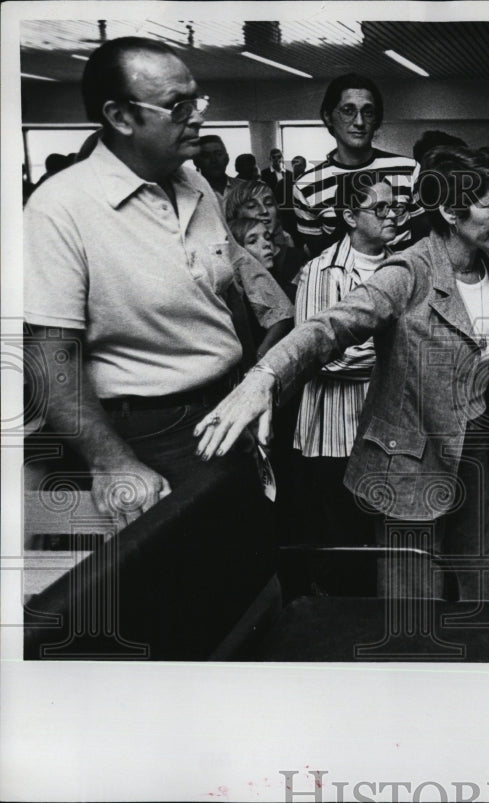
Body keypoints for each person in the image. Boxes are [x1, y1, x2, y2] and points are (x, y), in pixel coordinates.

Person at [195, 147, 489, 601]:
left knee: (474, 593)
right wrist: (265, 378)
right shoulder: (410, 270)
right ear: (450, 210)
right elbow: (330, 325)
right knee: (413, 608)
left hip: (474, 455)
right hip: (412, 461)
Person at [23, 37, 289, 523]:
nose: (198, 115)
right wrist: (111, 461)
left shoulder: (195, 183)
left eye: (197, 99)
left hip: (229, 410)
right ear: (120, 117)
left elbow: (227, 298)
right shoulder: (61, 206)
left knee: (252, 575)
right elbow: (51, 357)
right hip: (150, 431)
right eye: (177, 105)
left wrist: (250, 383)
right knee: (185, 589)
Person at [291, 177, 401, 545]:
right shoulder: (322, 270)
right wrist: (399, 357)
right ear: (350, 217)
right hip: (335, 432)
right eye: (380, 208)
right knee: (344, 536)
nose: (393, 216)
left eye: (396, 206)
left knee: (387, 530)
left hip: (389, 428)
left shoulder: (404, 268)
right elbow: (321, 357)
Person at [292, 73, 419, 256]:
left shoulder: (409, 170)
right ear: (328, 117)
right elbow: (318, 255)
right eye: (348, 111)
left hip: (406, 279)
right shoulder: (306, 186)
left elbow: (426, 243)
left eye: (368, 112)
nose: (359, 122)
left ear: (376, 119)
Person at [225, 179, 306, 298]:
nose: (264, 211)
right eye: (252, 206)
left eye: (269, 204)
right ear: (236, 216)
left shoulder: (298, 259)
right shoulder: (230, 268)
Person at [192, 134, 235, 203]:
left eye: (219, 154)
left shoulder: (245, 188)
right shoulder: (190, 192)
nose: (214, 160)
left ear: (227, 158)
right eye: (206, 156)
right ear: (196, 162)